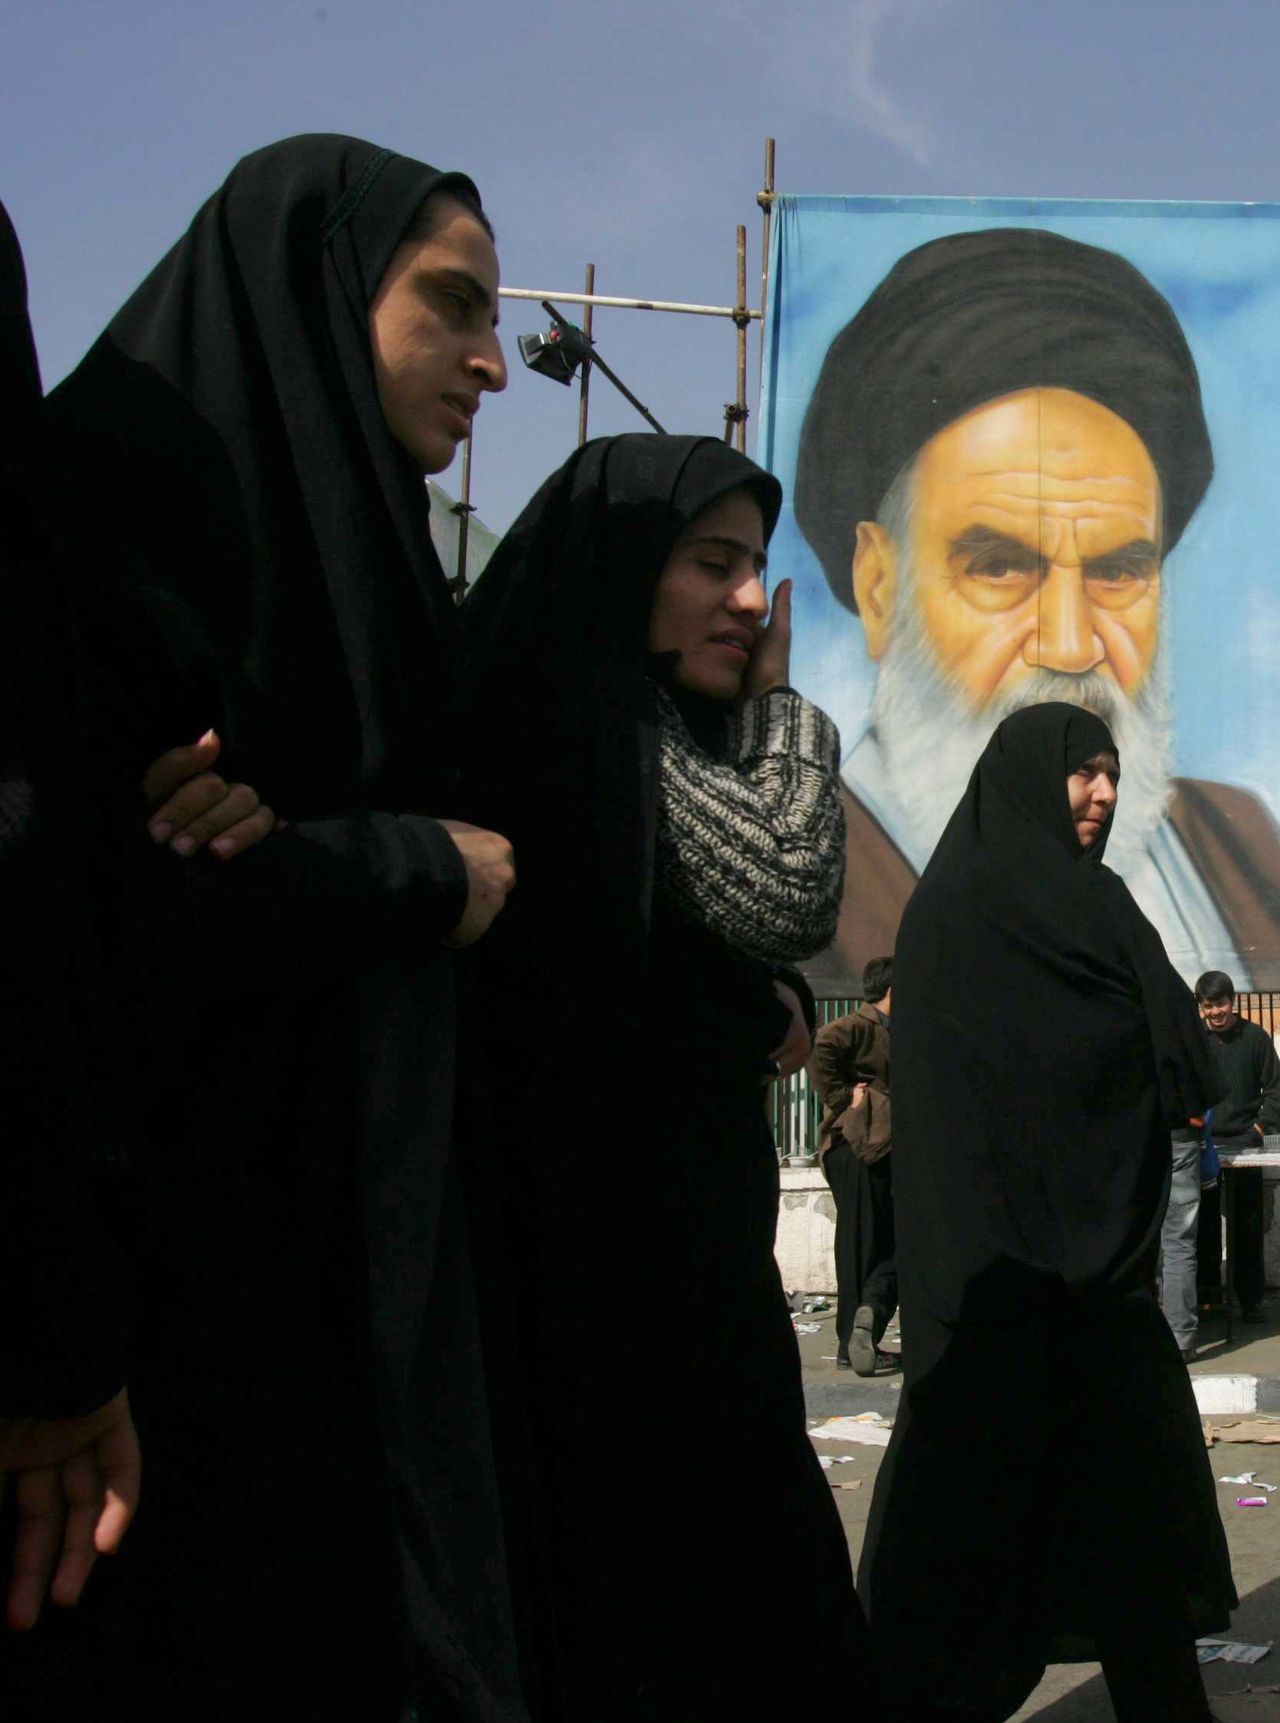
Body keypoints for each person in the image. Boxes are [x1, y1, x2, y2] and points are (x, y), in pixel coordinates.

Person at [6, 138, 531, 1723]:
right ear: (318, 291)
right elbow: (95, 900)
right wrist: (390, 870)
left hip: (331, 1313)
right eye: (450, 307)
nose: (497, 362)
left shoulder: (359, 550)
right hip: (126, 1359)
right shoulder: (105, 508)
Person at [461, 434, 874, 1721]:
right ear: (624, 565)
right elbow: (783, 882)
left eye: (755, 567)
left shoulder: (644, 726)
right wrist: (787, 712)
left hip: (669, 1283)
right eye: (710, 564)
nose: (748, 603)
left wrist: (759, 998)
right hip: (591, 1297)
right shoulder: (580, 712)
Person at [859, 702, 1233, 1723]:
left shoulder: (936, 914)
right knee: (1129, 1565)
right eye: (1084, 774)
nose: (1103, 794)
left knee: (968, 1572)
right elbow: (1188, 1065)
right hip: (1093, 1305)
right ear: (1035, 777)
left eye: (1111, 774)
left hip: (975, 1306)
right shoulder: (1098, 905)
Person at [794, 226, 1280, 991]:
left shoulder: (1239, 846)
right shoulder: (807, 880)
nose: (1068, 641)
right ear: (879, 588)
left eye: (1119, 570)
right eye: (1000, 566)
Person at [809, 954, 898, 1374]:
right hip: (854, 1148)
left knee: (885, 1241)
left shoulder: (893, 1030)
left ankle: (863, 1331)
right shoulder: (859, 1026)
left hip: (880, 1150)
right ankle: (850, 1342)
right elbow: (821, 1044)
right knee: (859, 1243)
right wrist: (845, 1100)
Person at [1191, 969, 1280, 1323]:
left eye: (1221, 1004)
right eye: (1208, 1005)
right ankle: (1209, 1298)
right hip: (1204, 1145)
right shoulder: (1194, 1040)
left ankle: (1250, 1299)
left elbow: (1276, 1092)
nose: (1215, 1012)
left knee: (1248, 1224)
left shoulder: (1256, 1040)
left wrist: (1259, 1128)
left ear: (1234, 1002)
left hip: (1247, 1145)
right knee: (1205, 1226)